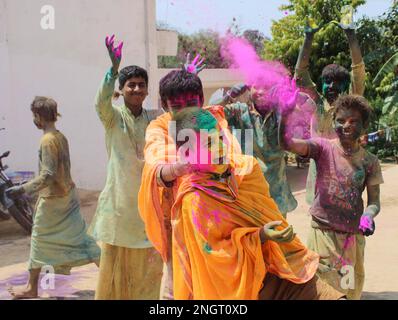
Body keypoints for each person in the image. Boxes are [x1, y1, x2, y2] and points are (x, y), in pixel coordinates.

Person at [144, 106, 345, 300]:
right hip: (249, 288)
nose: (221, 148)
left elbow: (269, 214)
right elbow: (216, 258)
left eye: (220, 138)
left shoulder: (247, 169)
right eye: (208, 144)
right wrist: (260, 236)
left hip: (283, 267)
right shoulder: (193, 201)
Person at [138, 65, 243, 300]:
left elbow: (234, 160)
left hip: (219, 224)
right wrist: (180, 167)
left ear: (202, 100)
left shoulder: (214, 121)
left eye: (191, 104)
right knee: (178, 290)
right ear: (165, 106)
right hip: (179, 227)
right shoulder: (159, 128)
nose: (186, 112)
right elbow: (155, 167)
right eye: (177, 107)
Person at [283, 94, 383, 300]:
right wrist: (285, 113)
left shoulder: (370, 161)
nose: (346, 125)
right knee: (323, 291)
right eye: (340, 120)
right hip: (322, 234)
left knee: (347, 292)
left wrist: (369, 216)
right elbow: (288, 144)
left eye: (353, 121)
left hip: (351, 239)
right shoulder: (322, 148)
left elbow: (374, 202)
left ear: (364, 126)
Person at [87, 35, 163, 300]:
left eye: (142, 85)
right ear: (122, 88)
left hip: (149, 208)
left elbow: (180, 119)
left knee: (149, 270)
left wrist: (186, 82)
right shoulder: (113, 117)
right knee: (114, 272)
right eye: (131, 85)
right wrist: (113, 70)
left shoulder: (155, 119)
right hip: (119, 208)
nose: (137, 89)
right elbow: (100, 102)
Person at [6, 97, 100, 299]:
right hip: (68, 196)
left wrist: (22, 189)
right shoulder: (60, 136)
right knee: (82, 240)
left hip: (53, 202)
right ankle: (113, 277)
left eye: (34, 115)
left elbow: (47, 174)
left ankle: (31, 288)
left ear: (38, 116)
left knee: (39, 240)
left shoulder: (47, 140)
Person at [294, 7, 367, 204]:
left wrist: (351, 35)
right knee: (318, 227)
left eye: (337, 82)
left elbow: (358, 72)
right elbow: (300, 74)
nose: (331, 86)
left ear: (346, 86)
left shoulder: (350, 106)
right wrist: (308, 38)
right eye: (327, 81)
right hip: (317, 183)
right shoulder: (316, 104)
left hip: (345, 181)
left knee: (346, 230)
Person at [209, 83, 316, 217]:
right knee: (252, 236)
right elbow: (211, 113)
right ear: (248, 88)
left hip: (277, 195)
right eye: (256, 85)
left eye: (266, 85)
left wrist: (295, 94)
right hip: (249, 193)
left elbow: (310, 108)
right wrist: (230, 95)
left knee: (278, 236)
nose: (260, 91)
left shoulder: (283, 113)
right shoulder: (239, 111)